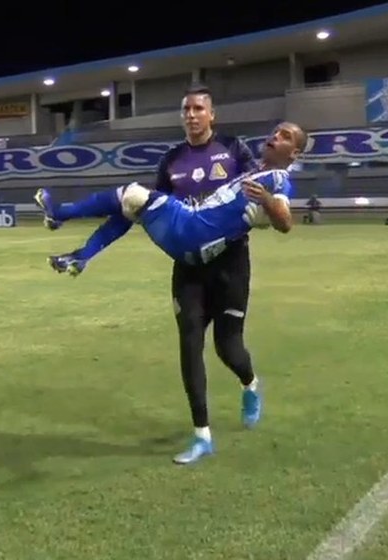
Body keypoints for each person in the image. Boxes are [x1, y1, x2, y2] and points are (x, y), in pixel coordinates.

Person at [35, 121, 307, 464]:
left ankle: (249, 384)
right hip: (190, 237)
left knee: (229, 348)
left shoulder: (273, 176)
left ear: (294, 153)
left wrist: (266, 202)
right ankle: (202, 436)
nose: (275, 136)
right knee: (189, 342)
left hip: (220, 258)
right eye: (276, 132)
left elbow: (285, 222)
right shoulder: (216, 165)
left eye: (285, 136)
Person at [42, 84, 258, 276]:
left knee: (132, 200)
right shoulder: (171, 159)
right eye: (186, 109)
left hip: (228, 253)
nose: (191, 115)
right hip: (187, 245)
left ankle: (63, 218)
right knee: (132, 206)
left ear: (211, 115)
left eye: (198, 109)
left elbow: (258, 187)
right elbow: (156, 204)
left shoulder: (233, 148)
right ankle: (80, 250)